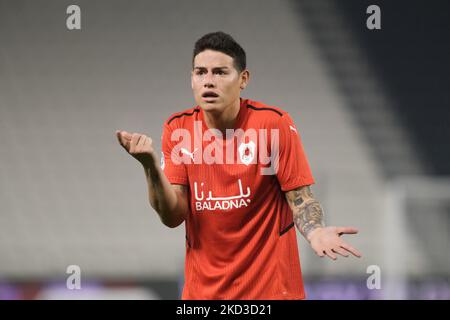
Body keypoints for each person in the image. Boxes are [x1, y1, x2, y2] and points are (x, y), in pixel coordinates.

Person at [116, 31, 361, 300]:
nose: (209, 81)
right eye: (201, 72)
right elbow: (172, 216)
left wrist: (315, 232)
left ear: (243, 79)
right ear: (192, 78)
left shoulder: (273, 125)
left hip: (272, 295)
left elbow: (300, 198)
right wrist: (149, 166)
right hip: (202, 297)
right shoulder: (178, 129)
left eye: (221, 72)